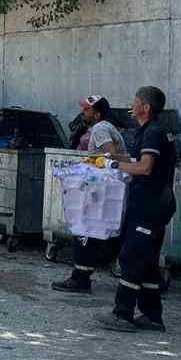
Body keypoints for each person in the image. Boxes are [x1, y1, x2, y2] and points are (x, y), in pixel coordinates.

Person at [94, 85, 177, 332]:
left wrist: (113, 168)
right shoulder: (150, 131)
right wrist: (106, 160)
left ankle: (122, 314)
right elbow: (135, 161)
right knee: (148, 262)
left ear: (146, 107)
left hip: (149, 206)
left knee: (131, 257)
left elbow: (145, 167)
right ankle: (152, 317)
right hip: (149, 203)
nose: (132, 104)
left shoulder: (153, 133)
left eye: (135, 101)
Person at [52, 97, 127, 293]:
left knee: (84, 230)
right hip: (104, 189)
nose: (83, 113)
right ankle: (82, 276)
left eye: (87, 110)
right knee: (90, 232)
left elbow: (111, 155)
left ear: (98, 113)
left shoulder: (101, 128)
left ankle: (80, 279)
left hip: (101, 189)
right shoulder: (106, 126)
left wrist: (96, 163)